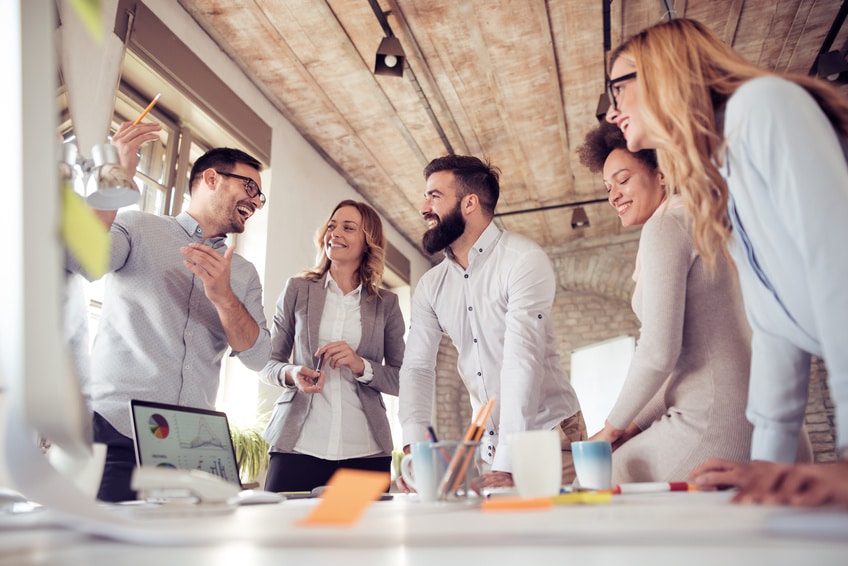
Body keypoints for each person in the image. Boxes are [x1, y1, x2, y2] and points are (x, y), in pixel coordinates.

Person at [604, 17, 848, 504]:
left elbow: (840, 280)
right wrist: (767, 466)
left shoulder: (763, 109)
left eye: (617, 90)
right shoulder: (719, 181)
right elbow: (774, 327)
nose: (612, 113)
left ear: (661, 74)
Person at [66, 121, 272, 502]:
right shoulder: (137, 227)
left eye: (260, 196)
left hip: (196, 445)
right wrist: (114, 180)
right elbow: (82, 259)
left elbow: (259, 357)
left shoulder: (242, 273)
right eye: (250, 188)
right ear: (211, 178)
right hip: (118, 431)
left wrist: (224, 297)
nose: (256, 202)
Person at [577, 121, 753, 483]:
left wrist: (611, 428)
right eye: (608, 187)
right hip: (750, 415)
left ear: (660, 174)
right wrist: (633, 425)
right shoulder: (701, 218)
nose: (613, 196)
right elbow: (686, 359)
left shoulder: (665, 225)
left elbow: (658, 353)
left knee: (593, 480)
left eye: (623, 180)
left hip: (715, 422)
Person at [398, 155, 585, 490]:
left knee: (559, 538)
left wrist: (509, 463)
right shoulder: (431, 286)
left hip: (550, 435)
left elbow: (521, 361)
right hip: (491, 443)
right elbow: (417, 368)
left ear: (469, 203)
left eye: (434, 196)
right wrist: (414, 447)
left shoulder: (523, 260)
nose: (424, 207)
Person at [259, 200, 405, 492]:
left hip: (364, 450)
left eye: (348, 228)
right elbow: (267, 362)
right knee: (282, 535)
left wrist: (360, 364)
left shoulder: (386, 304)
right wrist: (292, 373)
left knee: (359, 538)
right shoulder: (297, 290)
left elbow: (403, 378)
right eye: (332, 225)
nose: (334, 233)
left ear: (368, 243)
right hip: (297, 447)